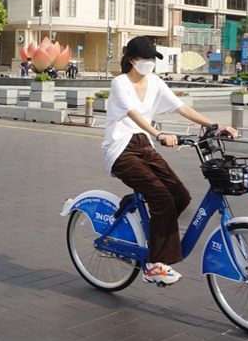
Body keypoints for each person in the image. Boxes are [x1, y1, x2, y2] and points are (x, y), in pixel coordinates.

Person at [102, 36, 239, 286]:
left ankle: (154, 238)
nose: (152, 63)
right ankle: (154, 264)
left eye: (154, 59)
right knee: (162, 199)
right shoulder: (119, 83)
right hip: (121, 148)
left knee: (180, 196)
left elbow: (180, 107)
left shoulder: (154, 82)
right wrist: (159, 134)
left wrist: (214, 124)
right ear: (133, 60)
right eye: (147, 58)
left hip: (145, 145)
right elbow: (132, 114)